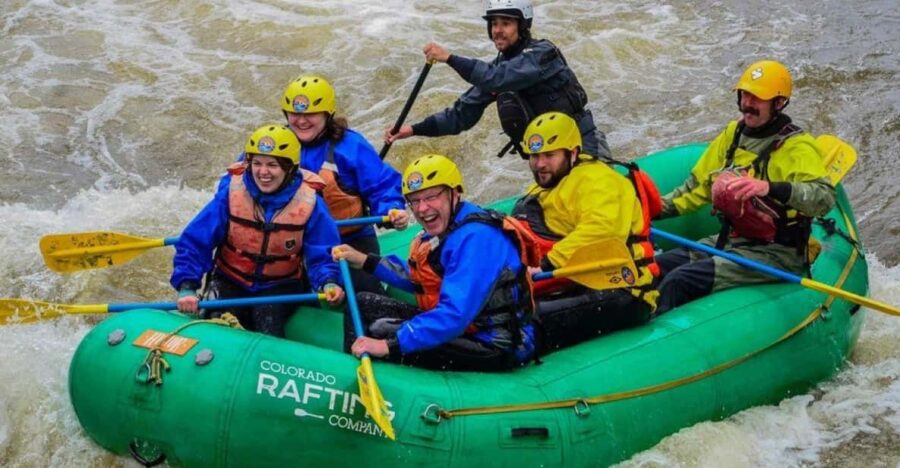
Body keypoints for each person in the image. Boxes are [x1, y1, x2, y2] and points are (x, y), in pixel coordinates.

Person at [654, 60, 836, 314]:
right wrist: (651, 209)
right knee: (655, 268)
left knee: (679, 281)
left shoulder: (797, 147)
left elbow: (824, 198)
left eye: (757, 98)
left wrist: (769, 188)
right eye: (745, 94)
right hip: (732, 240)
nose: (747, 103)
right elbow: (696, 189)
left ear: (779, 103)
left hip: (778, 254)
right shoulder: (733, 134)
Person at [332, 154, 539, 371]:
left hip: (496, 343)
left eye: (431, 197)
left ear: (455, 192)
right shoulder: (446, 227)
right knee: (364, 302)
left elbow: (454, 314)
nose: (421, 209)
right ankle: (353, 371)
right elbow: (420, 278)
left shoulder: (476, 238)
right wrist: (365, 261)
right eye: (415, 200)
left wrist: (388, 345)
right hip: (469, 329)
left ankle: (364, 380)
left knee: (381, 329)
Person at [171, 124, 345, 337]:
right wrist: (187, 285)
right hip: (230, 279)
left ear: (290, 167)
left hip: (281, 286)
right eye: (257, 164)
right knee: (218, 321)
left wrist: (328, 281)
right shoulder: (231, 194)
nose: (263, 172)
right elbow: (196, 241)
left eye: (272, 165)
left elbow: (323, 252)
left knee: (268, 321)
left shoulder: (310, 203)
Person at [383, 0, 611, 160]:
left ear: (522, 27)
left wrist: (449, 58)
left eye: (506, 23)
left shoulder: (542, 54)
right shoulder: (499, 68)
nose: (498, 30)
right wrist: (411, 130)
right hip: (544, 157)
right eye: (494, 24)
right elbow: (460, 116)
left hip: (581, 144)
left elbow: (498, 79)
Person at [512, 111, 659, 351]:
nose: (540, 164)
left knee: (527, 319)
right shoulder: (546, 185)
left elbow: (602, 230)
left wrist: (549, 263)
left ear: (573, 153)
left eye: (549, 155)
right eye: (534, 155)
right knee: (505, 307)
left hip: (623, 289)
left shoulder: (599, 181)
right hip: (574, 281)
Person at [281, 74, 410, 294]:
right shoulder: (276, 144)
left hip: (351, 240)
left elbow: (382, 184)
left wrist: (391, 210)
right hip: (294, 243)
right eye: (295, 114)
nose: (301, 121)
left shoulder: (350, 146)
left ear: (327, 115)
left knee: (367, 295)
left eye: (310, 114)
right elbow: (238, 185)